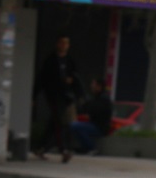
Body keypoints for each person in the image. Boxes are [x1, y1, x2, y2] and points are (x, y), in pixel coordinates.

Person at [32, 35, 82, 163]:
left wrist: (76, 90)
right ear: (57, 44)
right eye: (61, 43)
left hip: (66, 95)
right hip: (53, 95)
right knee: (59, 121)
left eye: (66, 43)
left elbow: (76, 77)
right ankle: (63, 149)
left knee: (56, 122)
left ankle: (41, 147)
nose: (64, 46)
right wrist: (35, 95)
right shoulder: (51, 60)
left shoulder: (70, 61)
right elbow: (42, 78)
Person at [70, 76, 113, 155]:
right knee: (76, 126)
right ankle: (85, 148)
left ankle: (92, 148)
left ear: (99, 86)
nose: (92, 86)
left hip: (100, 127)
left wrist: (86, 105)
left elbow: (94, 111)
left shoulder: (103, 98)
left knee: (75, 126)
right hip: (95, 125)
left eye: (94, 84)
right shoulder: (98, 97)